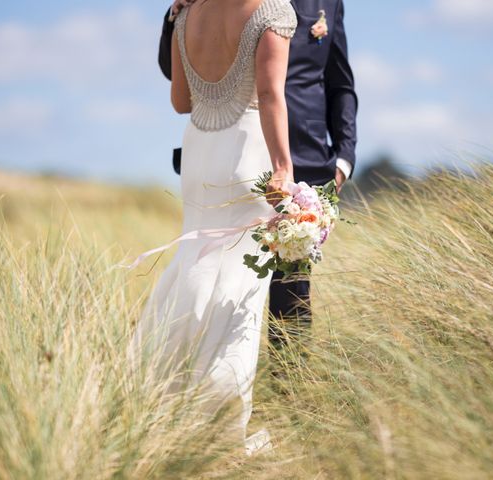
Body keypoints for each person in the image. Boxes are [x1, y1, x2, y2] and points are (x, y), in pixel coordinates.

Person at [133, 0, 298, 455]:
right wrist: (284, 168)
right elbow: (269, 96)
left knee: (194, 266)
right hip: (247, 153)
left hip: (200, 155)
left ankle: (163, 396)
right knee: (239, 289)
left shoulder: (188, 12)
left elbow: (180, 101)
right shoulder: (271, 11)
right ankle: (220, 424)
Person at [160, 0, 358, 363]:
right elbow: (176, 69)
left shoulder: (326, 3)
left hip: (303, 158)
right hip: (246, 154)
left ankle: (291, 390)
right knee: (224, 277)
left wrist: (344, 156)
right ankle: (214, 383)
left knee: (291, 292)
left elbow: (339, 80)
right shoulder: (210, 6)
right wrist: (174, 14)